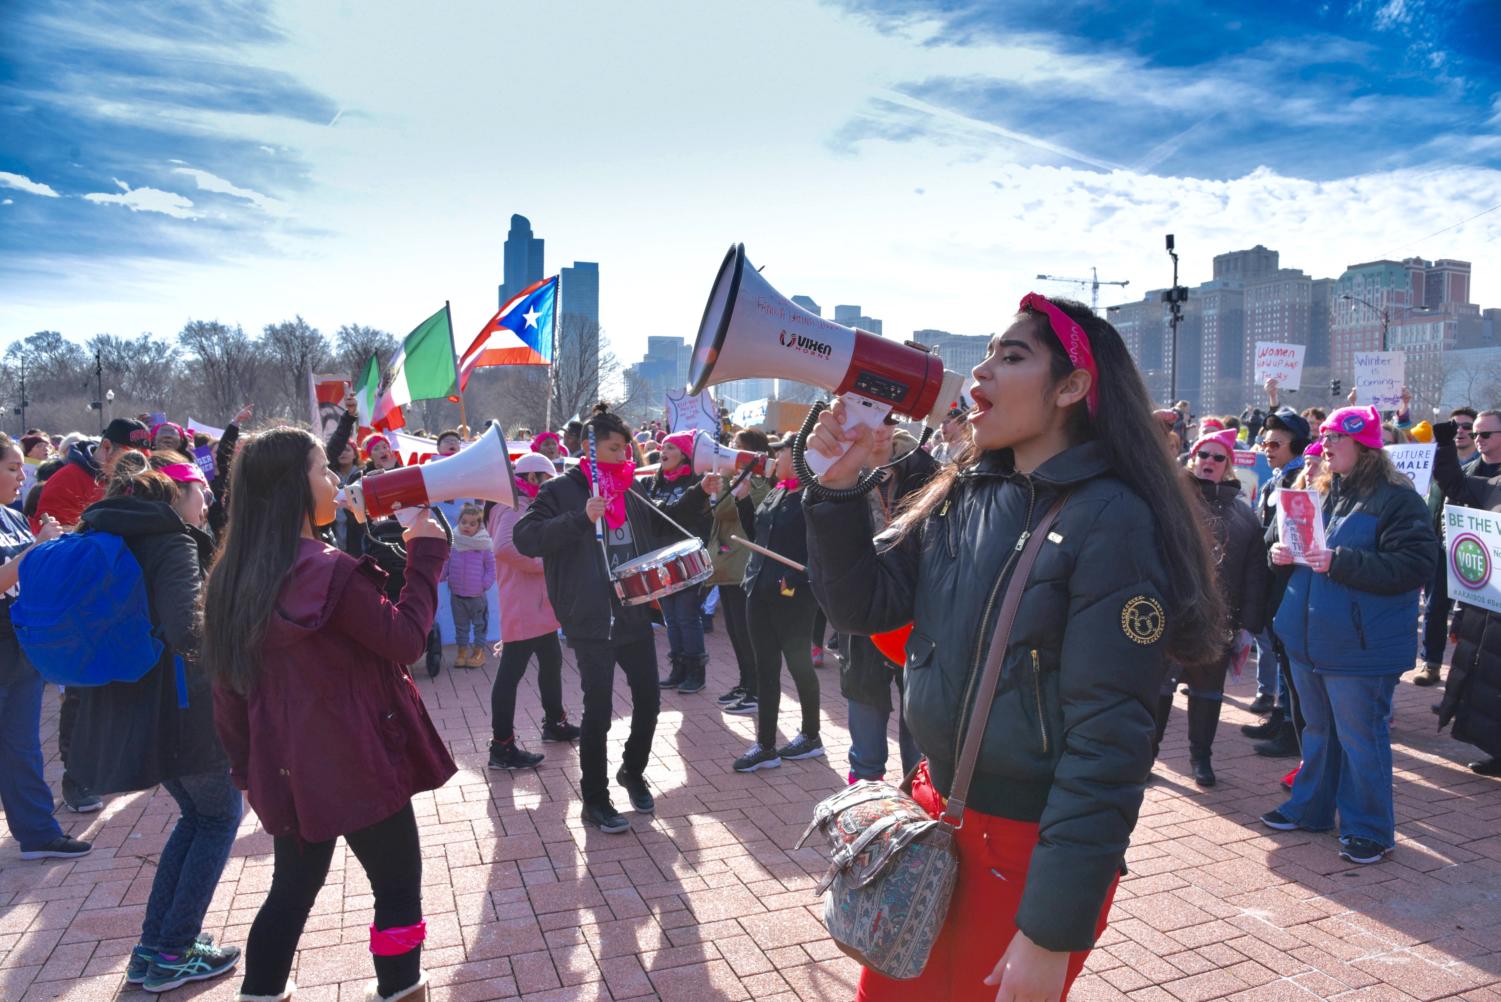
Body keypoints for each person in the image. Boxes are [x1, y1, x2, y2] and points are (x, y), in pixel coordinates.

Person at [804, 295, 1225, 1001]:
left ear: (1072, 387)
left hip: (1025, 854)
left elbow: (1109, 739)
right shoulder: (965, 492)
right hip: (930, 818)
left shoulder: (1113, 519)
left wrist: (1051, 932)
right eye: (986, 355)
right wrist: (836, 489)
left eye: (1011, 356)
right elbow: (859, 605)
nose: (980, 374)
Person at [203, 427, 454, 1002]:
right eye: (324, 470)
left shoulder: (230, 578)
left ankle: (261, 993)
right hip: (361, 759)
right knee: (396, 889)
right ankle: (400, 990)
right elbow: (406, 639)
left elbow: (229, 695)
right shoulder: (330, 569)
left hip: (289, 766)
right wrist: (427, 550)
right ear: (296, 487)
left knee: (291, 891)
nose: (336, 481)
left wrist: (250, 773)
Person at [67, 452, 242, 992]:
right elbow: (189, 629)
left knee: (196, 818)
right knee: (216, 818)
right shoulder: (170, 540)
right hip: (182, 706)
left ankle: (154, 948)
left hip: (135, 705)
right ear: (174, 494)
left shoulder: (108, 530)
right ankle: (172, 951)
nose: (207, 500)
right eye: (200, 491)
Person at [1262, 405, 1439, 865]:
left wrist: (1339, 561)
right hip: (1309, 638)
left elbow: (1416, 566)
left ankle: (1370, 830)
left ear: (1364, 445)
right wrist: (1279, 552)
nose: (1324, 445)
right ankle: (1312, 808)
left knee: (1361, 738)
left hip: (1360, 646)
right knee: (1319, 730)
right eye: (1324, 436)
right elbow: (1303, 552)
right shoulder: (1322, 491)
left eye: (1335, 437)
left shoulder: (1398, 499)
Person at [513, 405, 666, 834]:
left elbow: (658, 532)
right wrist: (581, 518)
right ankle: (595, 800)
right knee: (597, 712)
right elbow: (526, 538)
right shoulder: (560, 490)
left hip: (633, 611)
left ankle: (632, 772)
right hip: (589, 618)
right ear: (590, 448)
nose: (623, 456)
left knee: (650, 701)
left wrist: (702, 500)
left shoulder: (630, 488)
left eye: (626, 448)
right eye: (613, 448)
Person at [1153, 429, 1268, 787]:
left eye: (1219, 458)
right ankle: (1146, 758)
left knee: (1207, 692)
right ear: (1193, 459)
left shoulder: (1244, 516)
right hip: (1170, 615)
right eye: (1204, 456)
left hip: (1218, 619)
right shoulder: (1169, 501)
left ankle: (1200, 758)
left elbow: (1255, 575)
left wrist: (1248, 625)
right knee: (1158, 690)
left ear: (1228, 466)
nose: (1209, 463)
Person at [0, 435, 90, 862]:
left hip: (20, 647)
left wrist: (56, 546)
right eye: (13, 468)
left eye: (21, 468)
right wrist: (38, 549)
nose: (23, 477)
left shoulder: (13, 517)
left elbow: (27, 578)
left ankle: (37, 833)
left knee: (21, 746)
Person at [841, 428, 936, 783]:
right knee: (865, 712)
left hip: (917, 613)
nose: (875, 429)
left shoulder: (928, 472)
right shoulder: (840, 474)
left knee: (920, 727)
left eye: (884, 417)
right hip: (863, 613)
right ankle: (866, 802)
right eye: (865, 419)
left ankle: (920, 805)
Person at [732, 437, 824, 773]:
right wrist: (743, 502)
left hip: (792, 596)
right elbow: (759, 537)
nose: (774, 458)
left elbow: (821, 551)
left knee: (800, 666)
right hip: (758, 588)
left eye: (780, 453)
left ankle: (811, 735)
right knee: (765, 668)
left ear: (799, 457)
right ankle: (766, 745)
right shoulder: (777, 490)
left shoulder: (814, 495)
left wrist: (796, 580)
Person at [487, 453, 580, 770]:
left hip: (535, 603)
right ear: (534, 478)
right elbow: (504, 548)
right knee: (510, 675)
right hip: (525, 604)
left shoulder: (522, 502)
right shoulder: (515, 506)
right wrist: (545, 565)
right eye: (548, 479)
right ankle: (502, 746)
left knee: (551, 662)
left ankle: (555, 723)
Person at [1430, 418, 1501, 775]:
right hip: (1490, 597)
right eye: (1476, 434)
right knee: (1489, 676)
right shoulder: (1491, 481)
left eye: (1485, 434)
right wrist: (1443, 444)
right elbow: (1455, 486)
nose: (1477, 440)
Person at [1242, 406, 1312, 758]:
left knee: (1287, 656)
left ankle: (1291, 729)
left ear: (1296, 446)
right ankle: (1281, 715)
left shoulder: (1297, 480)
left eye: (1276, 444)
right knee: (1279, 653)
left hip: (1287, 581)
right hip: (1272, 578)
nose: (1267, 449)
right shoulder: (1276, 478)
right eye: (1265, 443)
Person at [637, 431, 721, 694]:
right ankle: (678, 668)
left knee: (687, 616)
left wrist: (697, 493)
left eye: (671, 447)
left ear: (684, 453)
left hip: (688, 559)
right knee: (671, 618)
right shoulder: (653, 483)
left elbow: (682, 514)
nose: (663, 451)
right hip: (661, 560)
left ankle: (697, 672)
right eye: (662, 446)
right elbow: (655, 518)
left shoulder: (698, 483)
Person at [709, 429, 771, 713]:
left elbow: (723, 511)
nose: (730, 451)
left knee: (746, 632)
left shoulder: (758, 482)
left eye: (736, 448)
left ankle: (757, 690)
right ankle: (746, 683)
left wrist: (722, 479)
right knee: (734, 630)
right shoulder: (738, 479)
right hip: (728, 563)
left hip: (741, 564)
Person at [32, 417, 151, 532]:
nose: (139, 466)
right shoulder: (66, 481)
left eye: (144, 459)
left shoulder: (138, 484)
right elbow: (48, 536)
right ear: (107, 447)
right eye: (129, 458)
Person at [441, 504, 495, 669]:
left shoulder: (484, 545)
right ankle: (462, 652)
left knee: (480, 625)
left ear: (479, 526)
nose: (467, 526)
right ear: (459, 522)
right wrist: (439, 576)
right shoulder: (454, 543)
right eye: (464, 522)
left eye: (472, 524)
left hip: (477, 596)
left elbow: (492, 568)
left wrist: (484, 584)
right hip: (457, 595)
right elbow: (446, 564)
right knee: (461, 626)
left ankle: (478, 652)